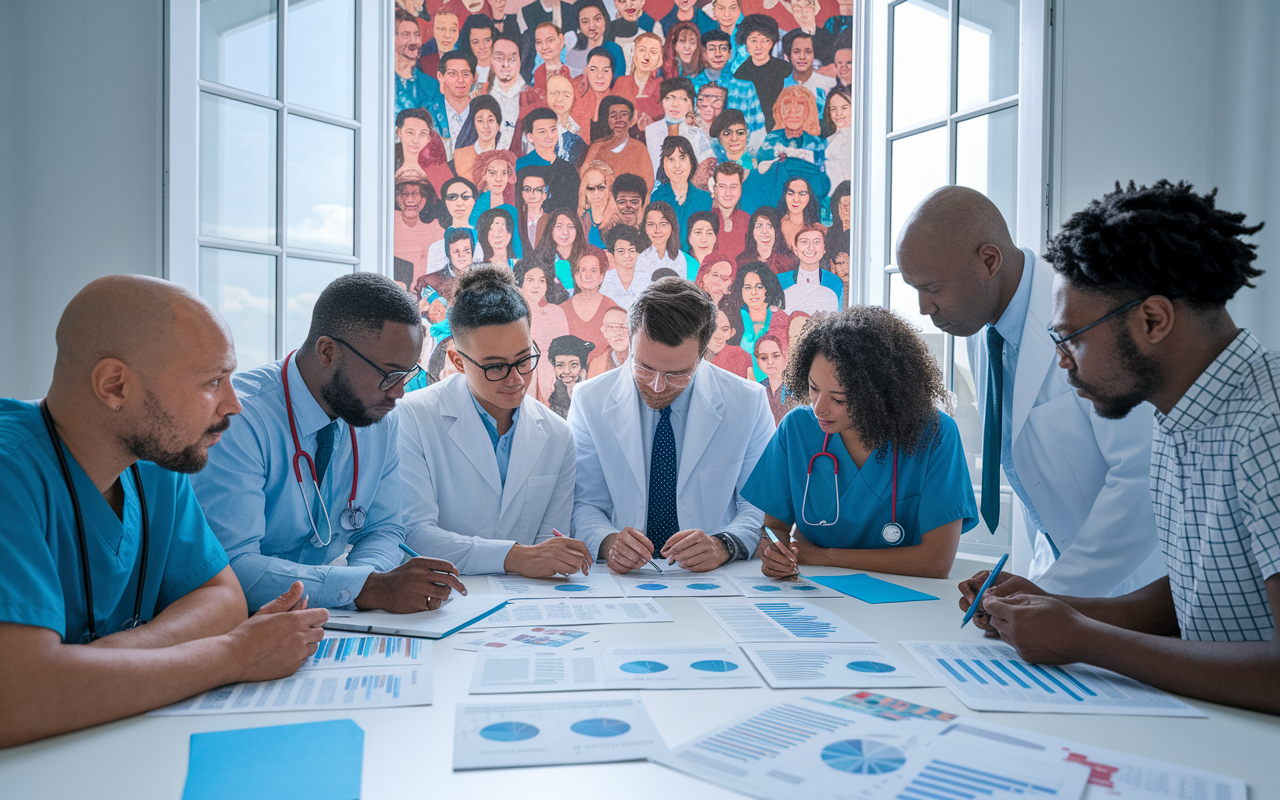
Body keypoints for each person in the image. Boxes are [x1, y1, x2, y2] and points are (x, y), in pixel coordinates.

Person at [959, 179, 1280, 715]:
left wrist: (1085, 639)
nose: (1062, 362)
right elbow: (1194, 596)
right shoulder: (1178, 418)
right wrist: (1053, 606)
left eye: (1071, 339)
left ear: (1153, 320)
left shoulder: (1267, 424)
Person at [0, 276, 330, 747]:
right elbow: (19, 696)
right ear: (115, 385)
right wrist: (234, 655)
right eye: (213, 382)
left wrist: (100, 662)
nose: (234, 404)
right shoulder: (10, 472)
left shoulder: (154, 459)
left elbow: (222, 597)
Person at [895, 185, 1165, 597]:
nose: (923, 307)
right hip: (1059, 578)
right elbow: (1039, 484)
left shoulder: (1091, 314)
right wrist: (1036, 586)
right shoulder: (983, 329)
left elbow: (1139, 479)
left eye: (932, 288)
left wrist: (1054, 593)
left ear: (989, 261)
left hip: (1137, 589)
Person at [191, 273, 466, 613]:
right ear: (327, 352)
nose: (399, 393)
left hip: (328, 617)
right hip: (236, 622)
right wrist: (365, 589)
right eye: (389, 375)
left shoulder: (378, 418)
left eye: (407, 375)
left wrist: (363, 585)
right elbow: (232, 567)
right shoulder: (240, 420)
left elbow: (383, 529)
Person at [746, 306, 978, 579]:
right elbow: (774, 528)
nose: (819, 408)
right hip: (814, 592)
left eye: (839, 399)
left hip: (907, 599)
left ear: (882, 393)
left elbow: (936, 562)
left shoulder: (934, 434)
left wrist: (823, 556)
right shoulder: (797, 429)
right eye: (813, 388)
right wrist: (774, 551)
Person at [396, 265, 590, 578]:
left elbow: (548, 547)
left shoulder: (557, 435)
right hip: (443, 600)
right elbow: (414, 538)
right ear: (458, 361)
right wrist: (515, 557)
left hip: (527, 605)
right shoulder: (413, 417)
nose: (516, 379)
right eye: (496, 367)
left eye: (524, 359)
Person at [569, 278, 775, 571]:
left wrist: (725, 544)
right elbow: (584, 503)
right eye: (644, 367)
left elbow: (760, 505)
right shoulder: (590, 401)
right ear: (630, 341)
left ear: (703, 355)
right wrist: (607, 541)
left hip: (716, 576)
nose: (656, 386)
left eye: (677, 374)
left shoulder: (747, 402)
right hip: (624, 578)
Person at [693, 30, 766, 148]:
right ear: (704, 53)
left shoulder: (744, 87)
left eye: (723, 48)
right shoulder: (693, 87)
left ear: (730, 53)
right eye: (712, 49)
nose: (718, 54)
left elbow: (758, 129)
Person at [514, 259, 571, 402]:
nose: (536, 286)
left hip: (555, 373)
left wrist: (548, 368)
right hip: (524, 373)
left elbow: (563, 348)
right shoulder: (513, 314)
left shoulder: (556, 312)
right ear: (520, 283)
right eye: (530, 280)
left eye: (541, 281)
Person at [728, 261, 790, 380]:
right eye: (747, 287)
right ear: (740, 290)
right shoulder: (733, 318)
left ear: (767, 288)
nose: (753, 292)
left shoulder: (781, 319)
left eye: (759, 287)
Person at [644, 78, 715, 177]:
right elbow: (655, 166)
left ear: (691, 104)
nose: (675, 104)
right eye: (669, 98)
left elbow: (707, 164)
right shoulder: (652, 129)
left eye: (683, 99)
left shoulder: (700, 129)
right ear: (662, 101)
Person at [650, 135, 714, 242]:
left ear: (691, 162)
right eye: (671, 159)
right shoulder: (656, 198)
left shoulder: (705, 199)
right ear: (663, 164)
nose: (677, 165)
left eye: (682, 158)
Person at [584, 97, 655, 193]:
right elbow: (584, 177)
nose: (618, 119)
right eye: (613, 115)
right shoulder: (596, 147)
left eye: (624, 114)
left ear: (630, 121)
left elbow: (648, 184)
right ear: (608, 120)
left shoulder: (640, 149)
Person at [733, 14, 791, 131]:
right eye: (753, 41)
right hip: (753, 129)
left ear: (771, 43)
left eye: (764, 41)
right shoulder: (741, 73)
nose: (758, 46)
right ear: (746, 44)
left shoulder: (785, 69)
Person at [560, 246, 621, 356]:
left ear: (601, 276)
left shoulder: (611, 308)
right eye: (583, 270)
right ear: (576, 275)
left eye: (593, 270)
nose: (588, 275)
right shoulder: (561, 310)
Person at [517, 108, 581, 212]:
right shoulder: (519, 166)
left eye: (553, 130)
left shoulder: (567, 169)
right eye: (542, 132)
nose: (549, 136)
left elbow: (572, 207)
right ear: (530, 137)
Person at [395, 8, 445, 126]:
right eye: (405, 34)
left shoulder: (432, 86)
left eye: (416, 35)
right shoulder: (380, 82)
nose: (413, 41)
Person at [759, 86, 826, 171]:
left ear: (808, 112)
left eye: (799, 108)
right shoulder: (771, 139)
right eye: (787, 108)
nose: (792, 112)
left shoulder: (816, 144)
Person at [425, 176, 479, 276]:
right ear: (445, 202)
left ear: (474, 201)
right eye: (452, 197)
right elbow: (432, 282)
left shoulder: (485, 242)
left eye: (465, 197)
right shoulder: (436, 247)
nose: (459, 203)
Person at [780, 224, 841, 312]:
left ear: (824, 249)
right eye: (804, 242)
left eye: (817, 242)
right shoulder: (780, 281)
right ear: (795, 249)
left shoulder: (835, 282)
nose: (811, 248)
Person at [395, 108, 454, 194]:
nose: (416, 140)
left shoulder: (439, 172)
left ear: (429, 137)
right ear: (398, 132)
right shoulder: (386, 165)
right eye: (410, 133)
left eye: (422, 134)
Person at [394, 176, 440, 287]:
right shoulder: (388, 222)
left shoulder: (435, 229)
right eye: (404, 194)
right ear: (397, 198)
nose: (409, 199)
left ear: (423, 200)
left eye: (415, 194)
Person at [614, 32, 666, 127]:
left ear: (660, 59)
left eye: (653, 52)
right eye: (641, 50)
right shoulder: (621, 83)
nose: (646, 57)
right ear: (633, 54)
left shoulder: (663, 87)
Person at [637, 201, 696, 282]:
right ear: (644, 227)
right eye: (651, 224)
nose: (657, 230)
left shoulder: (680, 258)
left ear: (672, 226)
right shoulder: (637, 257)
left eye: (663, 224)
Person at [534, 207, 591, 292]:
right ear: (551, 230)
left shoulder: (588, 257)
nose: (565, 232)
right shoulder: (539, 260)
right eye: (559, 227)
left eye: (570, 227)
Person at [781, 28, 834, 115]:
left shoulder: (828, 86)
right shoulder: (778, 87)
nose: (802, 57)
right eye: (796, 52)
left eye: (808, 52)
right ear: (787, 56)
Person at [486, 34, 527, 149]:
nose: (506, 64)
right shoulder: (482, 96)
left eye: (512, 59)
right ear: (491, 60)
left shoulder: (532, 99)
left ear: (520, 61)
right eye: (499, 58)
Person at [452, 95, 504, 183]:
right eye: (480, 121)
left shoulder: (504, 156)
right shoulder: (461, 156)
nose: (486, 126)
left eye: (490, 120)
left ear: (498, 125)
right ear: (474, 125)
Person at [567, 0, 626, 77]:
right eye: (585, 22)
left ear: (605, 19)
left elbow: (619, 82)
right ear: (579, 26)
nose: (592, 26)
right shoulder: (573, 54)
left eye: (597, 19)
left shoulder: (615, 50)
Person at [437, 51, 479, 156]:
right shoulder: (432, 114)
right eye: (452, 73)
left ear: (474, 78)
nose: (460, 80)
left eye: (465, 74)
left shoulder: (482, 112)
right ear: (441, 77)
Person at [600, 224, 649, 311]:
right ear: (612, 254)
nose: (627, 256)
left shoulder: (648, 279)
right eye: (621, 251)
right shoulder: (602, 281)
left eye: (632, 250)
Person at [570, 47, 619, 134]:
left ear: (612, 73)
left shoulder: (618, 101)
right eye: (593, 70)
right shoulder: (573, 93)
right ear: (586, 71)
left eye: (606, 70)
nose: (600, 76)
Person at [544, 72, 589, 167]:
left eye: (566, 94)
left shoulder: (579, 131)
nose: (559, 99)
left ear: (574, 98)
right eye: (554, 93)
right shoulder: (536, 130)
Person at [739, 206, 799, 275]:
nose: (765, 232)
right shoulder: (742, 262)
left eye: (770, 226)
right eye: (759, 226)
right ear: (752, 230)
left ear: (777, 231)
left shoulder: (789, 262)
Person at [548, 334, 596, 417]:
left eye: (573, 364)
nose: (566, 371)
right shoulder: (552, 398)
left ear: (582, 369)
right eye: (560, 365)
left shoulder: (592, 395)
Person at [469, 149, 519, 228]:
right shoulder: (478, 204)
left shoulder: (513, 202)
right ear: (484, 175)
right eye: (492, 173)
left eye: (503, 173)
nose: (498, 179)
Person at [709, 161, 750, 256]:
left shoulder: (747, 220)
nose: (728, 193)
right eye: (722, 187)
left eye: (733, 187)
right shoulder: (705, 219)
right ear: (715, 189)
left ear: (740, 189)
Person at [706, 302, 753, 379]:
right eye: (712, 329)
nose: (718, 336)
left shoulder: (740, 355)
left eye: (725, 329)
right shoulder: (695, 354)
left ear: (732, 332)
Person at [610, 0, 663, 67]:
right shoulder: (609, 27)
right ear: (615, 3)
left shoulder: (652, 26)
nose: (629, 5)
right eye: (622, 1)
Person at [578, 160, 619, 247]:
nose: (596, 194)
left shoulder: (620, 218)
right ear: (584, 190)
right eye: (591, 188)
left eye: (601, 187)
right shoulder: (581, 218)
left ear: (609, 189)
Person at [753, 333, 791, 424]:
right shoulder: (759, 389)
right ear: (758, 361)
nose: (770, 362)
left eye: (776, 356)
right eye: (764, 358)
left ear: (785, 357)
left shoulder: (795, 388)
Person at [777, 175, 824, 247]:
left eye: (802, 193)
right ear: (784, 196)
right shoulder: (775, 226)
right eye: (791, 193)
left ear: (809, 197)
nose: (796, 199)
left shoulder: (818, 228)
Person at [516, 166, 551, 254]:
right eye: (527, 189)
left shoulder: (552, 220)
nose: (532, 194)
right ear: (522, 193)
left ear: (544, 195)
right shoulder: (515, 218)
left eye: (538, 190)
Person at [823, 87, 852, 193]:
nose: (838, 114)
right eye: (833, 109)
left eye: (844, 108)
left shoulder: (857, 138)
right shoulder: (830, 140)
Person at [589, 305, 631, 377]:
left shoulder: (645, 358)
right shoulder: (596, 364)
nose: (617, 333)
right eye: (610, 327)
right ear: (604, 332)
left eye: (622, 327)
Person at [419, 8, 460, 78]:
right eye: (441, 29)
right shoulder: (422, 57)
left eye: (453, 30)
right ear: (433, 31)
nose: (447, 35)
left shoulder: (466, 54)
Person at [532, 22, 573, 91]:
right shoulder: (538, 72)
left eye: (550, 40)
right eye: (539, 42)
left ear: (561, 40)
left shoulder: (568, 71)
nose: (544, 47)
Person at [460, 15, 498, 86]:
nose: (482, 47)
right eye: (476, 42)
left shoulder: (502, 69)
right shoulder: (462, 72)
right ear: (468, 43)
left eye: (487, 40)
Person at [825, 179, 851, 261]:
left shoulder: (863, 235)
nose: (843, 209)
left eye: (847, 205)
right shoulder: (829, 235)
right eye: (840, 205)